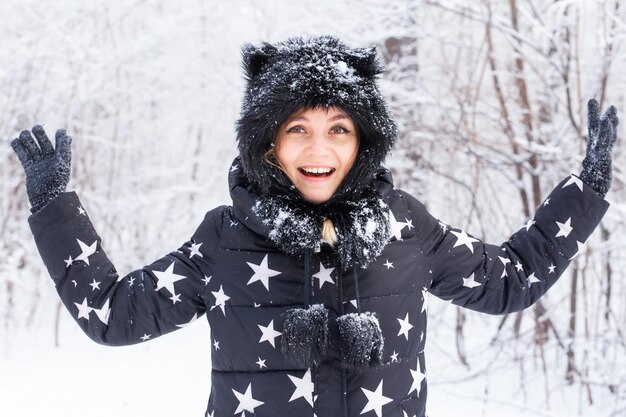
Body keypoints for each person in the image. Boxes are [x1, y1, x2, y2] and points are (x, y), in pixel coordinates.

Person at [11, 36, 617, 417]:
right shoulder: (224, 239)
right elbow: (115, 317)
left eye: (338, 128)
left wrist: (585, 194)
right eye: (296, 128)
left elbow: (509, 279)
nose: (317, 148)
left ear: (363, 143)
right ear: (268, 143)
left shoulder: (404, 225)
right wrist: (54, 206)